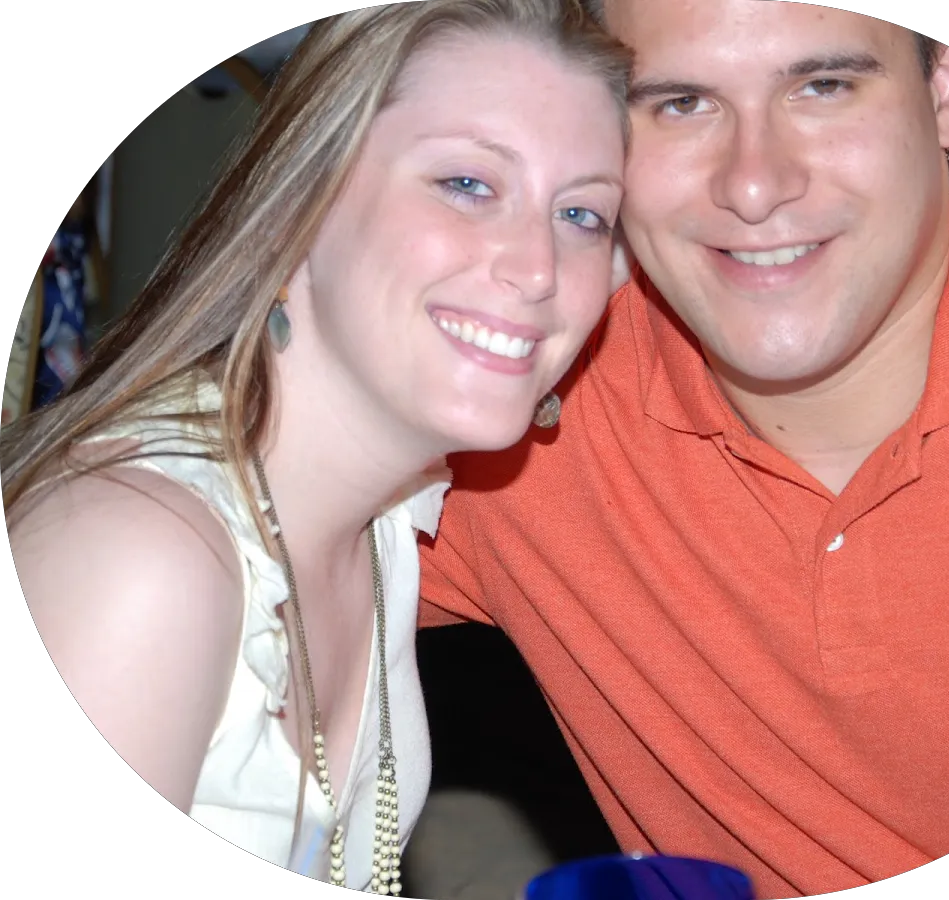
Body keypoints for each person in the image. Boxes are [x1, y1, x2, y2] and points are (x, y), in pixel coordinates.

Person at [416, 2, 949, 898]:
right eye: (680, 104)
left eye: (824, 88)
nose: (755, 186)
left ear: (946, 92)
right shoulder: (508, 414)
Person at [4, 1, 631, 894]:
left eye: (582, 215)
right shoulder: (139, 560)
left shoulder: (384, 530)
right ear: (299, 205)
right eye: (466, 183)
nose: (538, 269)